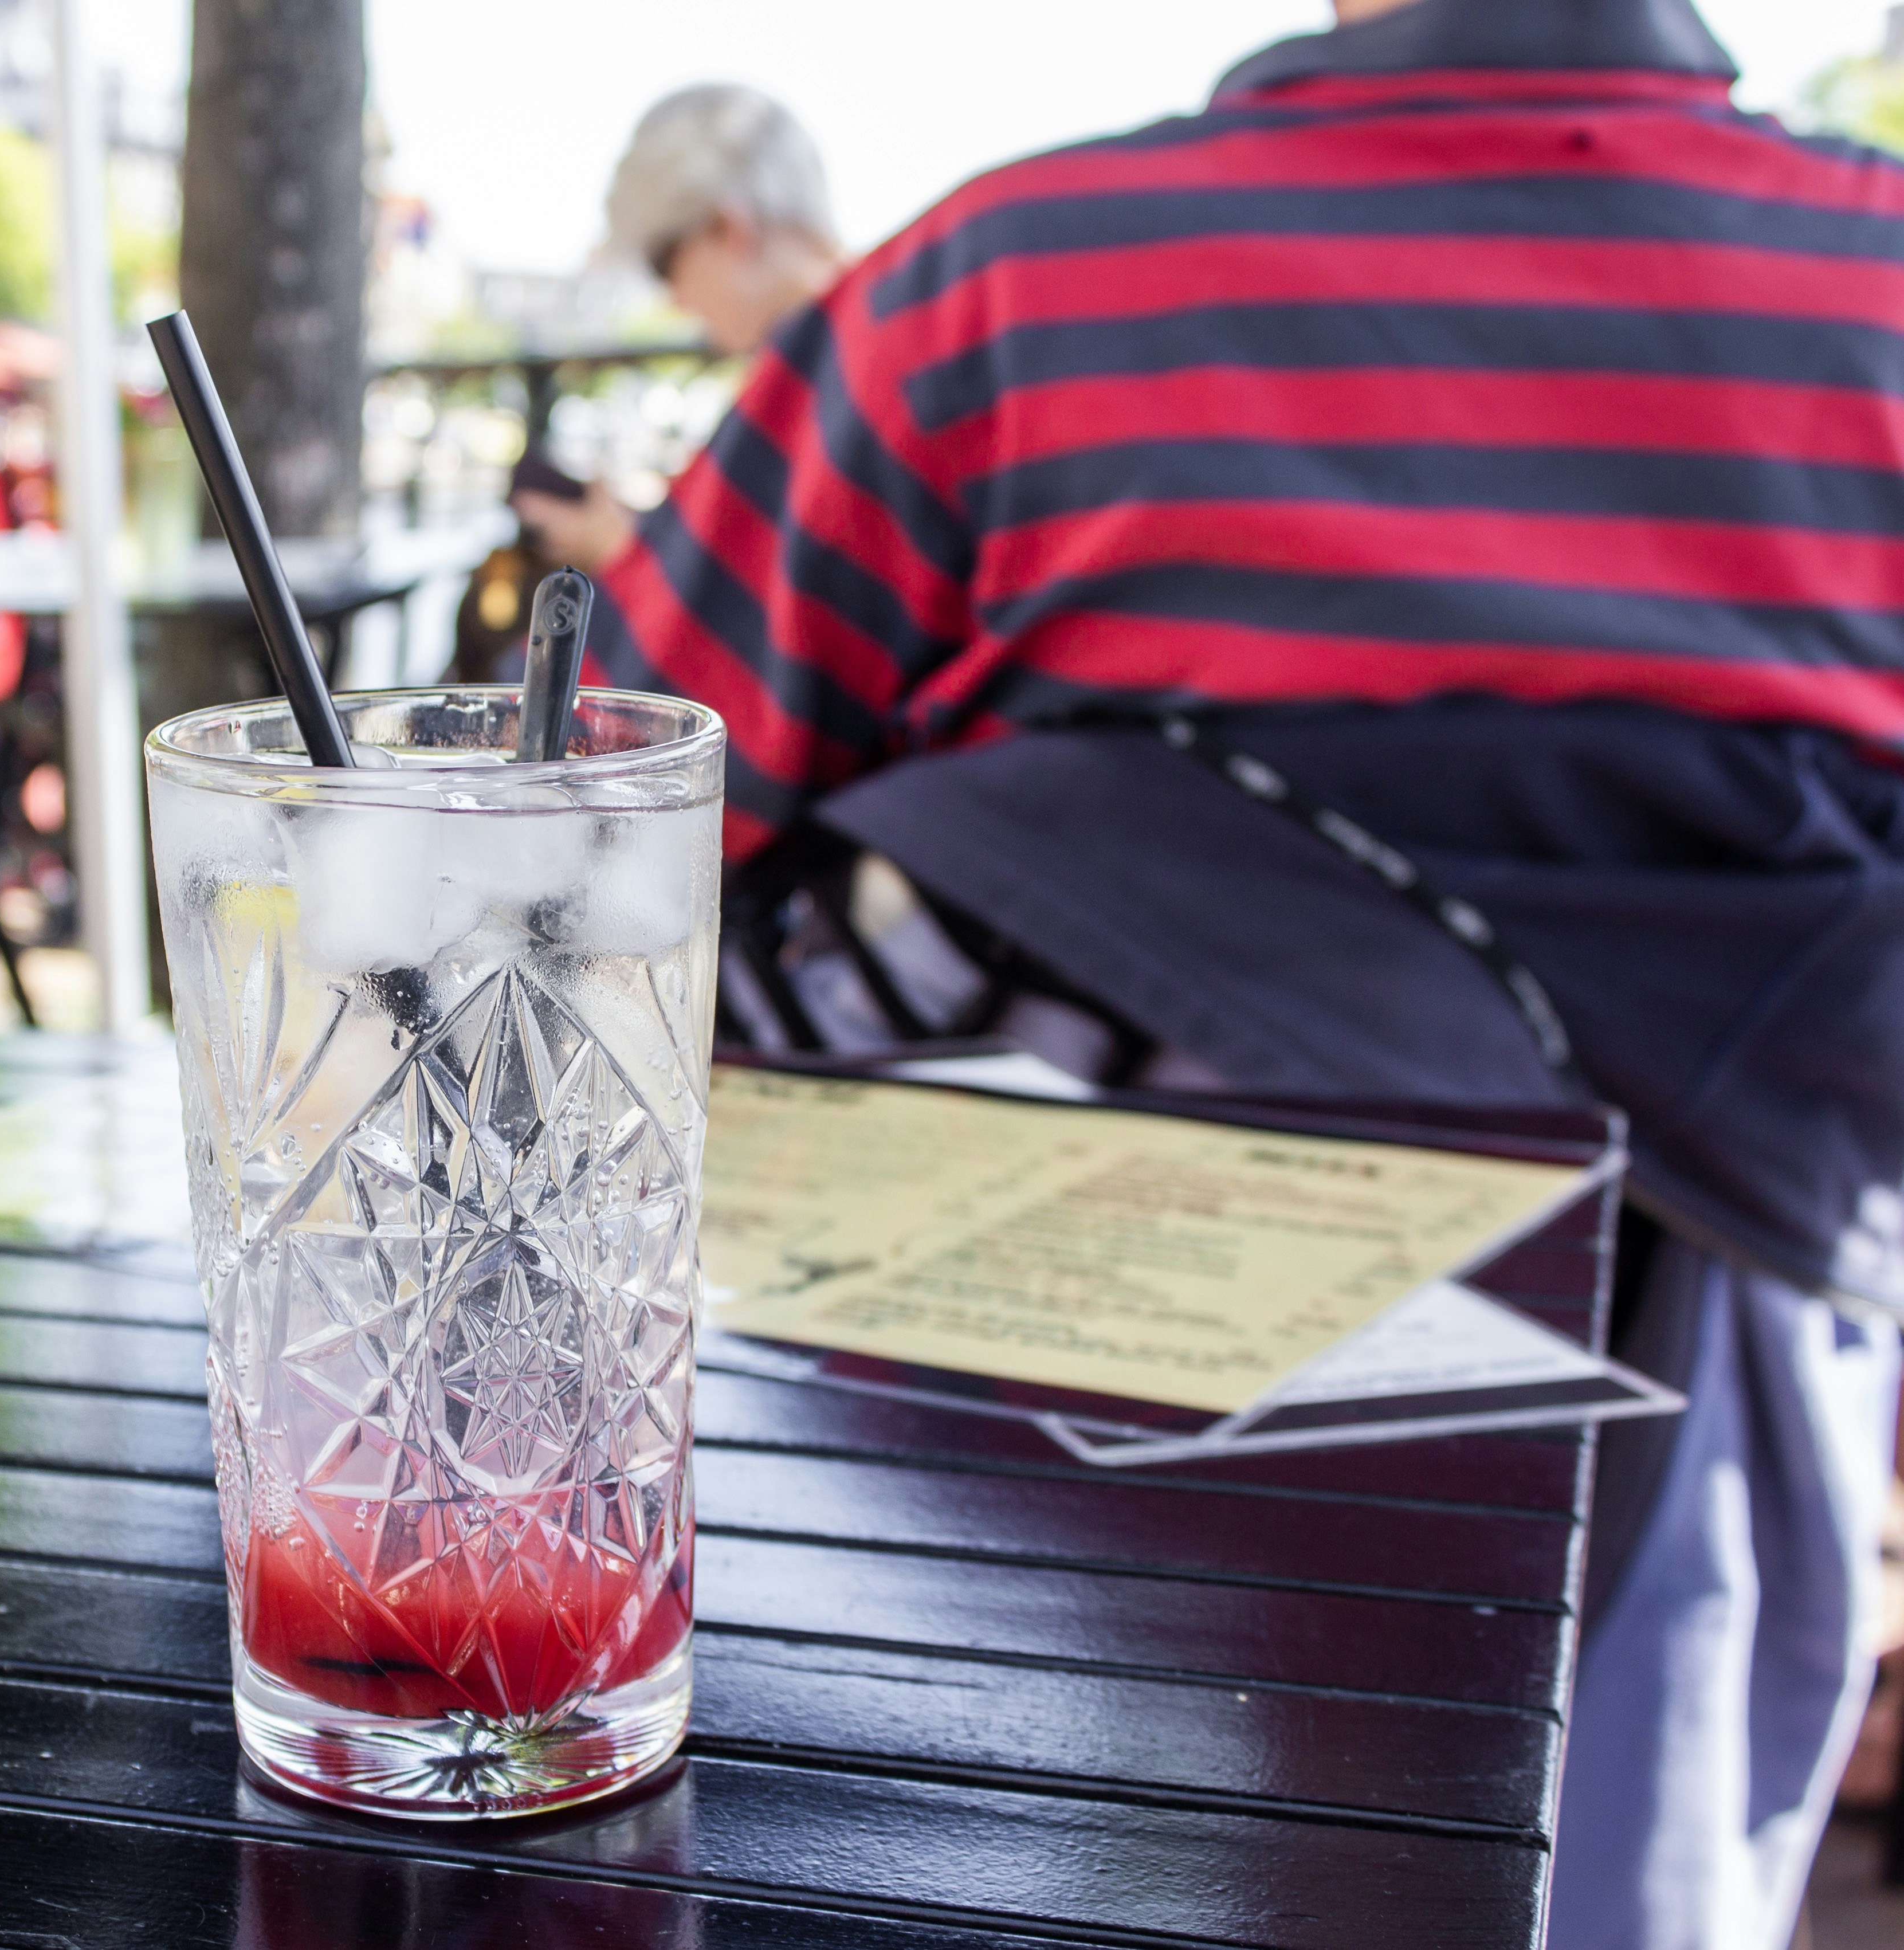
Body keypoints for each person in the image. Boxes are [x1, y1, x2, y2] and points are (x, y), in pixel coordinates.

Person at [577, 2, 1904, 1945]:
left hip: (1004, 1454)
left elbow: (600, 790)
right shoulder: (1873, 276)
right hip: (1722, 1389)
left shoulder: (1007, 288)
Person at [512, 85, 846, 575]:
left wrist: (619, 556)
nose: (672, 298)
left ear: (726, 230)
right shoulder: (848, 355)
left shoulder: (826, 386)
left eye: (663, 265)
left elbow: (769, 620)